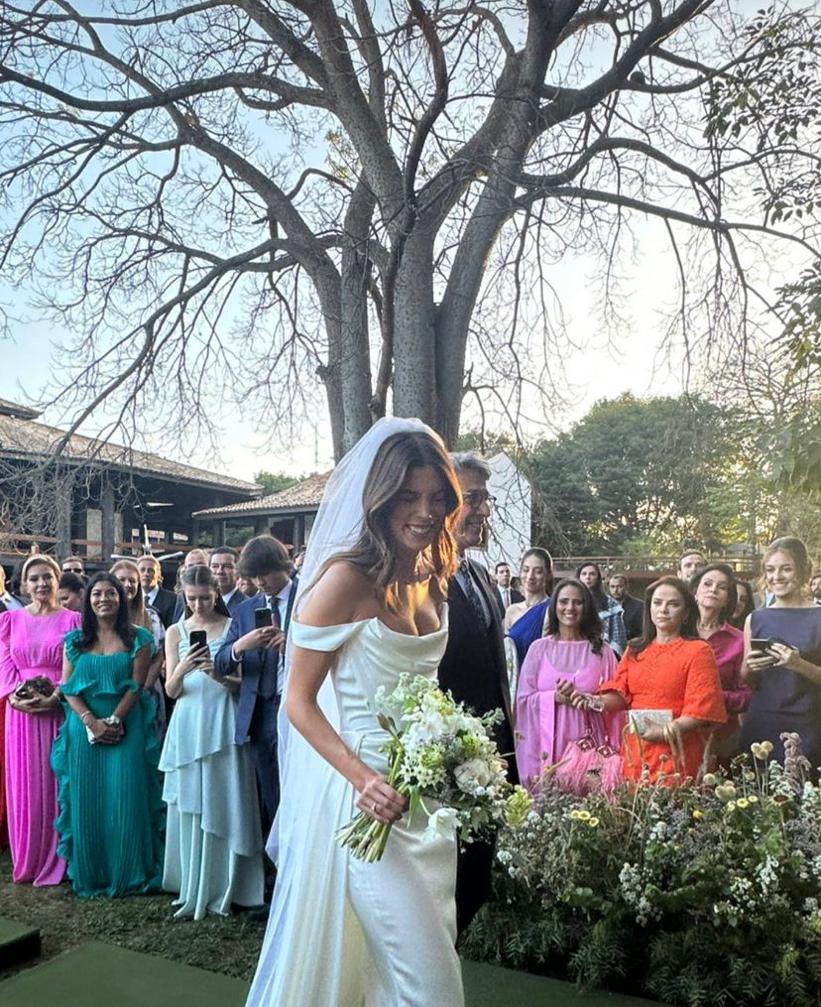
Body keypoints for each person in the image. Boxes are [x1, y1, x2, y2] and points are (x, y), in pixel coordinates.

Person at [245, 419, 464, 1007]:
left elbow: (426, 692)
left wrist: (458, 752)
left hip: (425, 800)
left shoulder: (433, 576)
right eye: (409, 497)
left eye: (437, 498)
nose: (425, 511)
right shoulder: (345, 580)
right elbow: (297, 701)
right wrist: (363, 777)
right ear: (380, 498)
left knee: (410, 968)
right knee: (430, 985)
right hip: (367, 802)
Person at [438, 451, 516, 937]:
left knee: (475, 884)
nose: (485, 511)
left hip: (489, 756)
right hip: (443, 763)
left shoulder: (481, 576)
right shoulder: (421, 582)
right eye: (474, 500)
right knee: (448, 889)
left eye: (487, 500)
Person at [51, 572, 163, 897]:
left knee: (125, 796)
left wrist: (113, 721)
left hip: (125, 726)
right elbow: (68, 688)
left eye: (110, 594)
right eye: (97, 594)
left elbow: (137, 685)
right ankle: (93, 871)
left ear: (122, 598)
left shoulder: (139, 638)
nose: (103, 599)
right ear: (88, 600)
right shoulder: (74, 641)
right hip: (82, 727)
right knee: (87, 799)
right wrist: (90, 721)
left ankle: (129, 871)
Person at [161, 565, 264, 919]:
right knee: (194, 802)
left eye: (205, 597)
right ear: (183, 596)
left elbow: (242, 684)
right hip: (189, 721)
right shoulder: (176, 631)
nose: (200, 604)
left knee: (227, 795)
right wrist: (183, 668)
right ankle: (193, 882)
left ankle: (232, 885)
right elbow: (171, 691)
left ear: (216, 593)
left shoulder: (232, 625)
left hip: (223, 718)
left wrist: (218, 675)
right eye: (192, 599)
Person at [574, 577, 725, 785]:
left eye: (673, 604)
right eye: (657, 602)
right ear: (649, 608)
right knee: (635, 810)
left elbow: (702, 709)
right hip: (637, 749)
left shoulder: (699, 650)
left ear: (686, 613)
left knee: (675, 811)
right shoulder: (635, 649)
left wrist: (665, 732)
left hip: (678, 750)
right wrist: (591, 700)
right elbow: (620, 697)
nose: (663, 609)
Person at [0, 554, 80, 884]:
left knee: (57, 781)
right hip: (20, 714)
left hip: (58, 709)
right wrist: (18, 699)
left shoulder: (73, 620)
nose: (41, 584)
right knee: (26, 785)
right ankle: (29, 856)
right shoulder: (9, 622)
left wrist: (54, 697)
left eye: (47, 576)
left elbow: (76, 665)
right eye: (34, 578)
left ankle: (61, 856)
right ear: (23, 584)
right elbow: (5, 668)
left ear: (57, 580)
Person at [213, 535, 298, 836]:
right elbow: (220, 662)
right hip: (261, 713)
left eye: (265, 574)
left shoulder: (308, 597)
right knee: (270, 794)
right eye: (253, 576)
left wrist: (292, 647)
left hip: (302, 706)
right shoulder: (245, 610)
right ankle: (276, 873)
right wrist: (241, 645)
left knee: (300, 790)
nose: (260, 582)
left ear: (283, 566)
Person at [515, 578, 621, 791]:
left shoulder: (602, 651)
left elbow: (618, 699)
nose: (570, 608)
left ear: (586, 607)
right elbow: (522, 700)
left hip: (589, 744)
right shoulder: (538, 649)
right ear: (554, 607)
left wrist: (589, 699)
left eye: (577, 602)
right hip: (547, 744)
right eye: (563, 602)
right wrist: (553, 697)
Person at [741, 537, 821, 773]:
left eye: (786, 569)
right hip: (764, 721)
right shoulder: (755, 618)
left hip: (810, 723)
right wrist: (750, 666)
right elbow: (747, 679)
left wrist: (799, 665)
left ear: (804, 570)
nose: (777, 576)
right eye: (770, 570)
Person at [691, 564, 750, 766]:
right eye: (707, 584)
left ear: (727, 600)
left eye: (721, 587)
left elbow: (747, 695)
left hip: (722, 738)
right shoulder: (677, 633)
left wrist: (715, 697)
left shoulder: (739, 641)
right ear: (695, 592)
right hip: (677, 734)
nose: (713, 589)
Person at [111, 559, 165, 737]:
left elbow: (158, 657)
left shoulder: (151, 616)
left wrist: (141, 690)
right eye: (122, 580)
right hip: (111, 693)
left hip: (145, 692)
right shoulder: (101, 617)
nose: (127, 585)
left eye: (132, 581)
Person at [577, 562, 628, 657]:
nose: (588, 577)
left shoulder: (610, 604)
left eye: (592, 574)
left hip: (602, 654)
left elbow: (618, 638)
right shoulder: (572, 602)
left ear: (598, 578)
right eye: (584, 574)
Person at [504, 548, 552, 632]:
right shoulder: (511, 611)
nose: (530, 576)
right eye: (526, 570)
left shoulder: (552, 609)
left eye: (538, 571)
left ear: (548, 575)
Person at [137, 555, 178, 629]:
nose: (146, 574)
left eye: (151, 570)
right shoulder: (132, 598)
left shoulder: (173, 599)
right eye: (142, 570)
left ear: (159, 575)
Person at [172, 548, 211, 622]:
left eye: (200, 565)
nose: (195, 569)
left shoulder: (216, 594)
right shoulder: (181, 596)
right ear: (185, 569)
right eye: (191, 566)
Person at [608, 572, 644, 639]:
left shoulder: (639, 606)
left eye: (619, 586)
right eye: (612, 587)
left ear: (626, 587)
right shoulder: (605, 606)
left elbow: (643, 632)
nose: (615, 590)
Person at [209, 546, 244, 614]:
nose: (220, 571)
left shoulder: (247, 606)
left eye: (227, 566)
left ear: (238, 571)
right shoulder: (199, 602)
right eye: (215, 566)